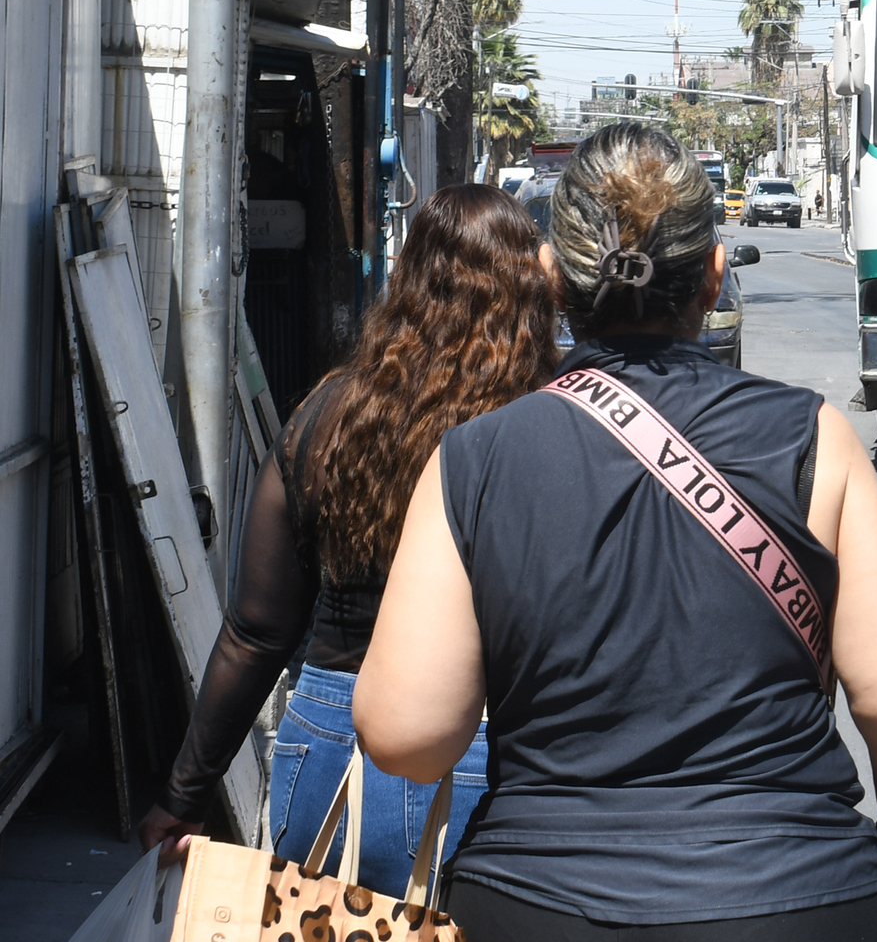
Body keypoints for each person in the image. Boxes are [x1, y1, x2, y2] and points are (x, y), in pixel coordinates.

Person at [356, 122, 877, 942]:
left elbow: (404, 732)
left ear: (554, 277)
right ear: (713, 275)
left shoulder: (473, 459)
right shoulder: (812, 440)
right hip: (794, 937)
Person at [136, 186, 560, 892]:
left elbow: (256, 632)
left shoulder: (332, 415)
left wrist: (183, 796)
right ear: (529, 290)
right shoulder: (547, 423)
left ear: (407, 280)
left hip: (336, 743)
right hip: (494, 748)